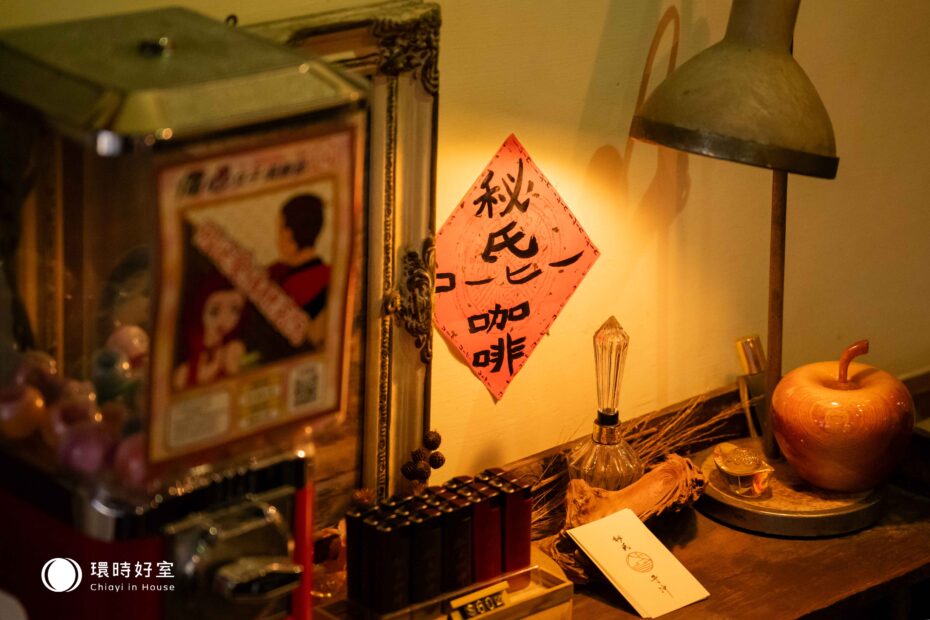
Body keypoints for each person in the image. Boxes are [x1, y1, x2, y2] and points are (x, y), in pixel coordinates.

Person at [173, 273, 247, 390]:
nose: (225, 319)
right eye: (214, 311)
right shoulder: (184, 371)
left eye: (235, 310)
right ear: (200, 311)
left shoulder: (232, 350)